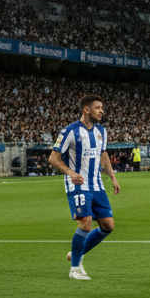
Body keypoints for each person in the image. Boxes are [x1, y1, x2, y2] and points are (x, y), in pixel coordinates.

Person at [48, 95, 121, 280]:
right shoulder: (70, 131)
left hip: (96, 184)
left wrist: (112, 177)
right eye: (98, 107)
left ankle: (76, 252)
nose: (102, 111)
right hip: (78, 184)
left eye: (102, 107)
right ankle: (75, 268)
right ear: (86, 109)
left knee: (108, 226)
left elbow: (103, 155)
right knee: (85, 223)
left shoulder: (101, 131)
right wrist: (70, 173)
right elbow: (53, 158)